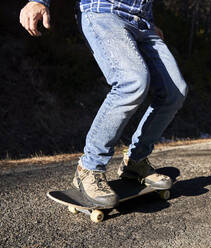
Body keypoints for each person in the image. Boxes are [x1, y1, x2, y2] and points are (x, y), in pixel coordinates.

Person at [19, 0, 188, 208]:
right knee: (132, 82)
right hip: (103, 12)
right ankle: (89, 168)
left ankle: (135, 162)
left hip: (143, 23)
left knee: (175, 92)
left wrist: (149, 20)